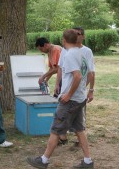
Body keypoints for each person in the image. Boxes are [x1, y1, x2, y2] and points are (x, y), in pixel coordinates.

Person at [27, 29, 94, 168]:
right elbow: (86, 74)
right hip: (80, 98)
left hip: (71, 100)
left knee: (56, 129)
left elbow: (77, 76)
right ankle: (88, 161)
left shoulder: (70, 55)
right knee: (79, 129)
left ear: (64, 40)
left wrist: (68, 94)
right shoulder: (81, 53)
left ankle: (44, 160)